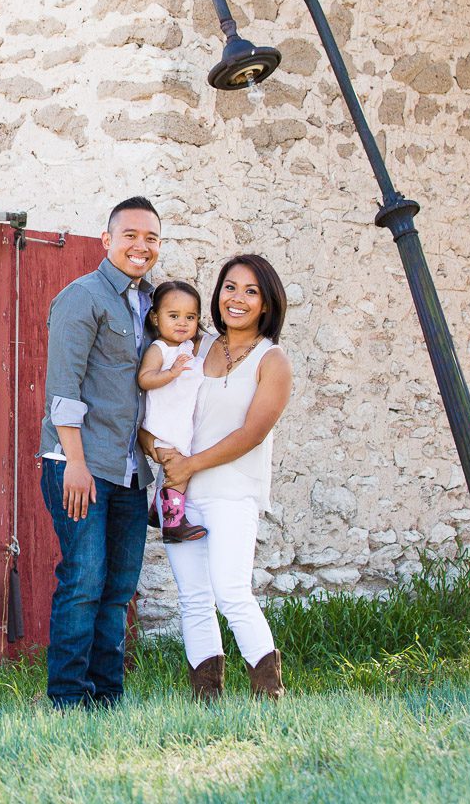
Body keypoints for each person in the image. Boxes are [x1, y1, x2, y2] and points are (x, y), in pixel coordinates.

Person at [39, 195, 161, 709]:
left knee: (117, 591)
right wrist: (76, 464)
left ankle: (107, 699)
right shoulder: (82, 297)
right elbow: (63, 389)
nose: (141, 246)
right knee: (84, 582)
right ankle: (68, 700)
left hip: (130, 471)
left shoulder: (151, 304)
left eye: (151, 238)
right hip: (80, 465)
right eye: (130, 235)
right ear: (107, 240)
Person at [156, 253, 293, 701]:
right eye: (230, 287)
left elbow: (252, 434)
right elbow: (160, 407)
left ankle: (269, 695)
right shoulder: (196, 348)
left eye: (251, 291)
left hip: (233, 494)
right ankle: (207, 699)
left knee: (232, 592)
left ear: (266, 303)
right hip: (181, 495)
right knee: (194, 598)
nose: (237, 298)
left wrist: (191, 464)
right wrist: (157, 449)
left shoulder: (272, 361)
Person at [137, 280, 209, 544]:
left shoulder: (188, 348)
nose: (182, 323)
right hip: (162, 425)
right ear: (156, 318)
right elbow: (145, 379)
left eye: (190, 317)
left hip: (179, 424)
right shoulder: (160, 349)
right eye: (174, 316)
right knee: (178, 470)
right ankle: (173, 522)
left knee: (179, 466)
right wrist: (171, 373)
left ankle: (157, 510)